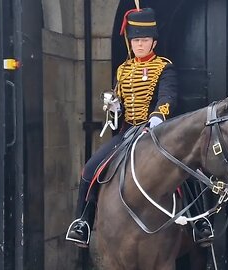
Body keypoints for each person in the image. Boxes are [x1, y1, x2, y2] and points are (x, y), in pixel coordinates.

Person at [65, 7, 178, 248]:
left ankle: (199, 224)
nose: (139, 44)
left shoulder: (163, 67)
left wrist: (157, 117)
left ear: (153, 42)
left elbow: (167, 98)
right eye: (136, 40)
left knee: (184, 169)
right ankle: (82, 222)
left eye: (144, 40)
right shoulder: (123, 70)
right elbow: (119, 106)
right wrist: (114, 108)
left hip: (155, 133)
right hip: (128, 132)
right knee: (90, 169)